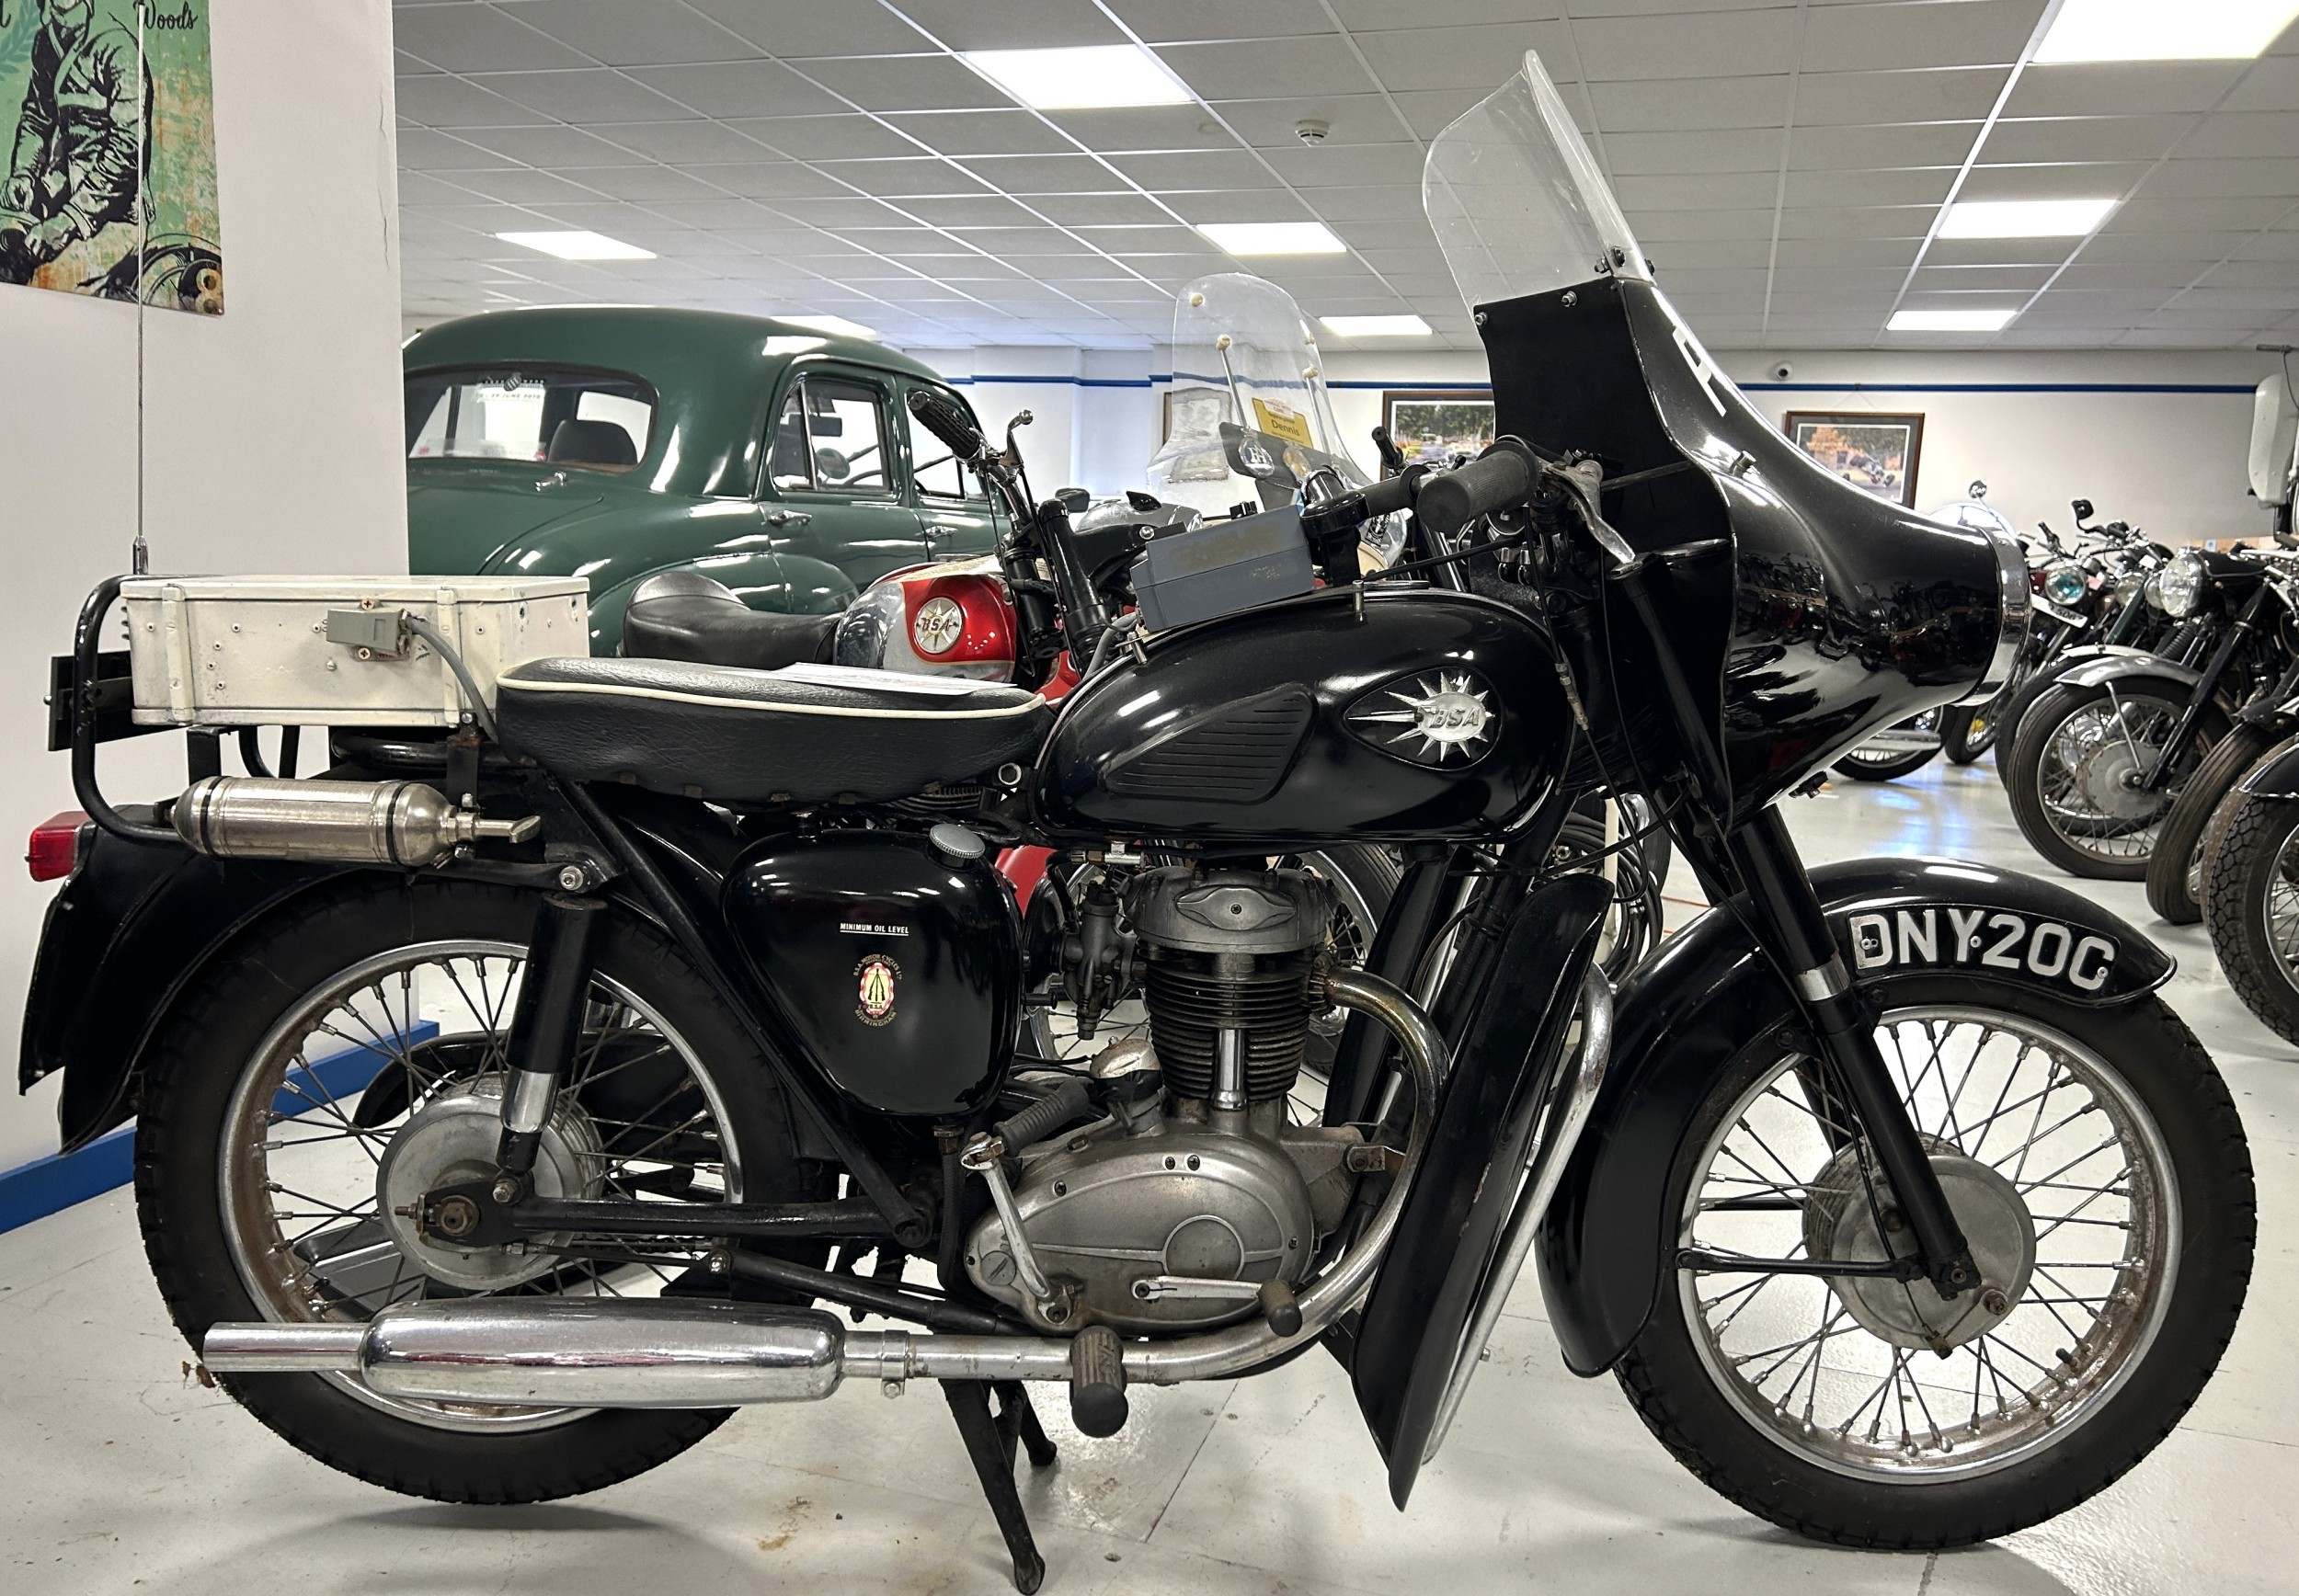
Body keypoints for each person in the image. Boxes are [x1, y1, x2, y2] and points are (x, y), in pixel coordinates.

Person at [0, 0, 149, 287]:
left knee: (54, 281)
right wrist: (24, 173)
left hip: (113, 215)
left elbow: (129, 149)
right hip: (55, 194)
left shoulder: (119, 48)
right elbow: (37, 118)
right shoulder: (45, 42)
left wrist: (69, 220)